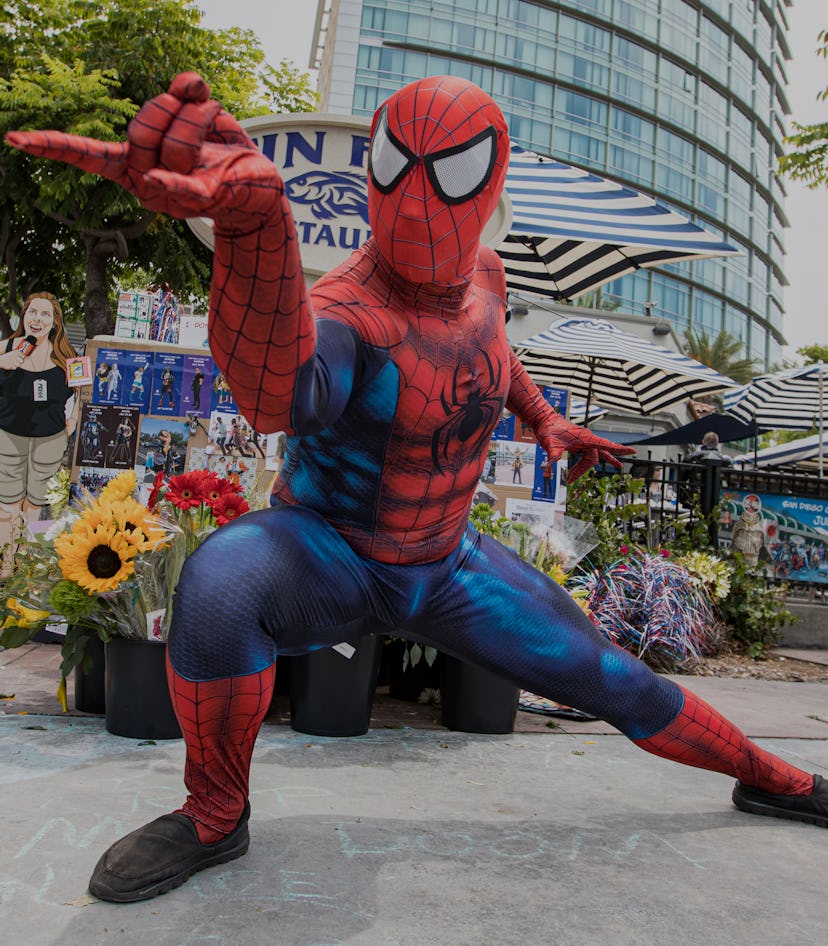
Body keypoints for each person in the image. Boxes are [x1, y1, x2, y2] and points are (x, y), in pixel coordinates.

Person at [10, 72, 825, 904]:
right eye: (399, 166)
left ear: (490, 181)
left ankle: (776, 778)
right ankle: (215, 811)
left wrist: (544, 417)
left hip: (448, 562)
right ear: (372, 170)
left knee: (613, 678)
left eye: (452, 172)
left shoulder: (487, 276)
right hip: (328, 551)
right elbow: (282, 397)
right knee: (220, 583)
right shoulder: (346, 309)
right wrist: (256, 236)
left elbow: (489, 362)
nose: (417, 199)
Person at [0, 292, 79, 573]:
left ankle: (29, 563)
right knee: (8, 504)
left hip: (51, 439)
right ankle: (5, 563)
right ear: (24, 316)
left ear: (55, 322)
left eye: (46, 314)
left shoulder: (66, 356)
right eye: (33, 312)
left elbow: (82, 392)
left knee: (38, 503)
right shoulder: (8, 346)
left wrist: (74, 418)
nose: (38, 319)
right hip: (8, 435)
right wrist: (3, 361)